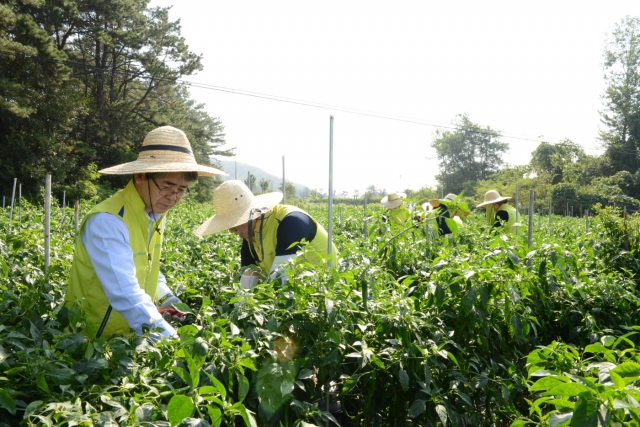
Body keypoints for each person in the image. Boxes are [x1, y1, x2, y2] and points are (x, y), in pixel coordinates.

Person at [65, 126, 226, 340]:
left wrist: (166, 298)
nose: (173, 197)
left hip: (129, 335)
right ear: (140, 176)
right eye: (167, 186)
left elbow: (147, 266)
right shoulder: (108, 221)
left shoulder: (154, 213)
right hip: (89, 339)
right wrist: (171, 342)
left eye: (181, 189)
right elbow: (124, 292)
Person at [195, 180, 338, 289]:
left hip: (324, 290)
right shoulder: (250, 234)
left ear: (249, 215)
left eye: (232, 224)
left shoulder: (290, 222)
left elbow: (280, 280)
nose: (231, 231)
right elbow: (247, 281)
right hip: (296, 291)